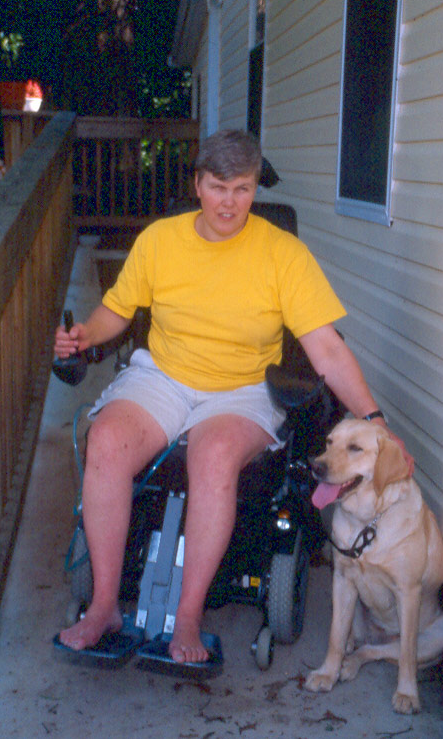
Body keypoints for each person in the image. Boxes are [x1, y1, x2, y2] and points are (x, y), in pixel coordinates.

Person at [54, 129, 412, 664]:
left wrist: (375, 419)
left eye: (242, 189)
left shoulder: (282, 253)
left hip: (242, 389)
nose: (230, 202)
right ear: (198, 184)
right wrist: (86, 332)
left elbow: (328, 352)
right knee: (105, 440)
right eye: (219, 187)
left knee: (214, 455)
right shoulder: (160, 240)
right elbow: (119, 311)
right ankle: (104, 605)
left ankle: (189, 618)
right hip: (164, 375)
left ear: (254, 189)